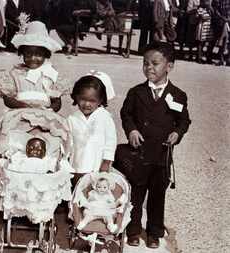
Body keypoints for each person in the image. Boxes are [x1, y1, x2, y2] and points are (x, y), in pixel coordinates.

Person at [120, 42, 191, 248]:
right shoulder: (136, 92)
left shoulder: (178, 95)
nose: (149, 67)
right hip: (139, 154)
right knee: (136, 193)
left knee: (157, 196)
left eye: (155, 63)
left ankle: (154, 232)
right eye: (145, 63)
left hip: (161, 155)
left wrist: (177, 133)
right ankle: (132, 229)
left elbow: (184, 121)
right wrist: (131, 129)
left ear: (169, 66)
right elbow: (126, 114)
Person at [0, 20, 67, 112]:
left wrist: (49, 110)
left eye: (38, 55)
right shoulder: (15, 74)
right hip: (20, 112)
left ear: (46, 55)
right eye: (28, 54)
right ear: (22, 53)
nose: (33, 58)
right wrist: (25, 107)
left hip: (45, 114)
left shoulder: (51, 74)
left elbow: (57, 102)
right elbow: (8, 99)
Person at [68, 71, 117, 176]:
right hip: (77, 165)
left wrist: (106, 162)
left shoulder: (104, 117)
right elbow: (69, 142)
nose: (87, 104)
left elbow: (110, 142)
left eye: (92, 101)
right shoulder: (72, 118)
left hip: (97, 165)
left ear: (100, 100)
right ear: (76, 97)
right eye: (83, 99)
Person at [210, 0, 230, 66]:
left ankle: (227, 60)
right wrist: (222, 18)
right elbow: (215, 10)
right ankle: (221, 59)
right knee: (222, 40)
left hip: (227, 21)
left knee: (226, 41)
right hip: (221, 22)